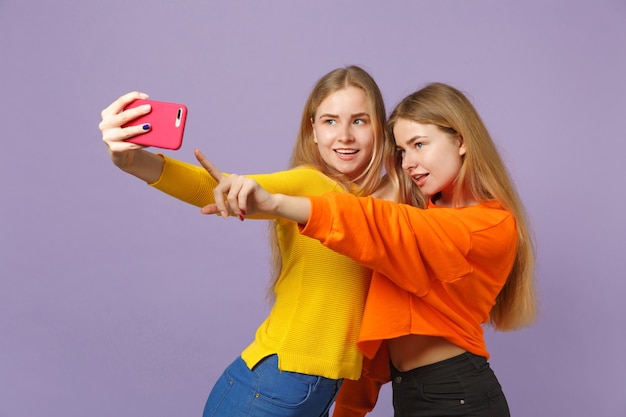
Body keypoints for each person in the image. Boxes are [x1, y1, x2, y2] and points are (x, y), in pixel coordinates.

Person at [196, 82, 538, 417]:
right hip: (412, 394)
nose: (407, 163)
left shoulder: (490, 225)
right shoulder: (424, 219)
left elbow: (384, 223)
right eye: (402, 151)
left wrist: (277, 203)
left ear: (461, 141)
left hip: (457, 394)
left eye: (419, 144)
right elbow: (379, 332)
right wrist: (348, 410)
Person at [99, 65, 393, 417]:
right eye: (330, 121)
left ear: (380, 128)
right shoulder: (310, 184)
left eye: (359, 121)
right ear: (312, 130)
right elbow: (210, 188)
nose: (344, 135)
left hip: (310, 391)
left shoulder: (378, 203)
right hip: (269, 387)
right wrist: (131, 160)